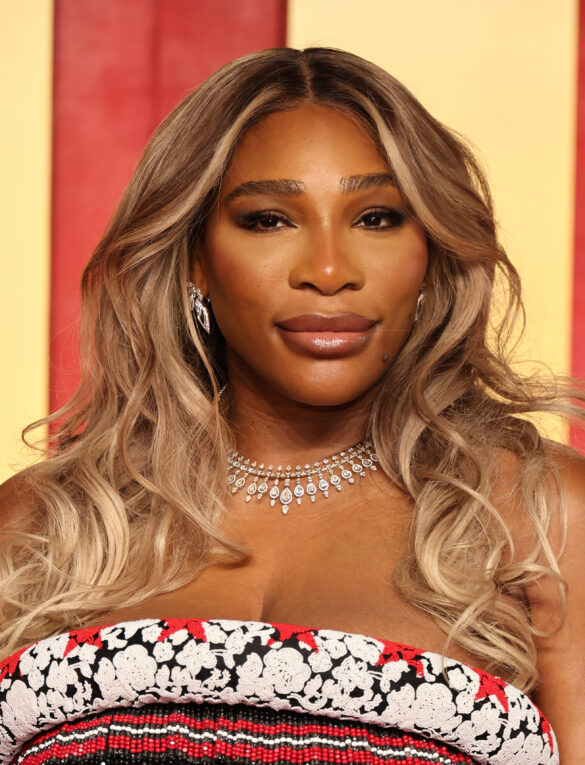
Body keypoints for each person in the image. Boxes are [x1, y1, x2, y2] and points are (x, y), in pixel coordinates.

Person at [0, 46, 583, 764]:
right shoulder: (43, 528)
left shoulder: (540, 515)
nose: (328, 272)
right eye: (270, 220)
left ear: (431, 252)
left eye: (376, 218)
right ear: (195, 259)